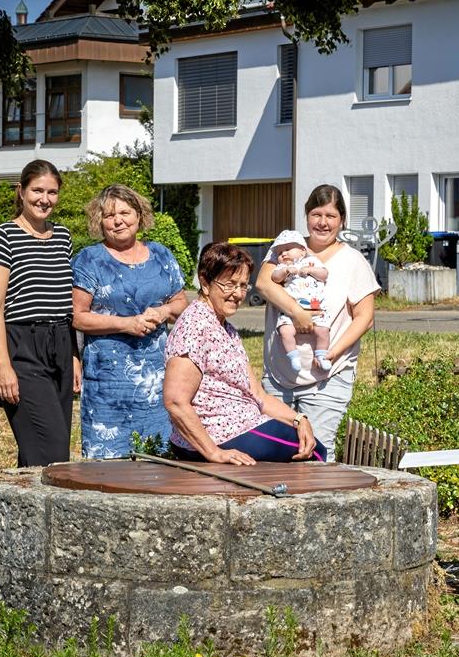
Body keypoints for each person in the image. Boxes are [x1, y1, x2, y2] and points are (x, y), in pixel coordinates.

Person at [163, 242, 324, 465]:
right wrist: (214, 453)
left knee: (309, 442)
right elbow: (175, 401)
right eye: (229, 285)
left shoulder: (225, 328)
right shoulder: (195, 325)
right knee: (315, 453)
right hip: (219, 435)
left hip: (239, 425)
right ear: (205, 282)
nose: (238, 294)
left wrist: (298, 418)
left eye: (243, 285)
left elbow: (257, 394)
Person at [255, 184, 381, 458]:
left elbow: (365, 318)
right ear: (306, 216)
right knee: (275, 456)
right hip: (278, 377)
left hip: (327, 377)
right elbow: (264, 284)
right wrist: (297, 313)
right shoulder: (286, 249)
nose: (322, 223)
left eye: (331, 216)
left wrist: (333, 352)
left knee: (317, 455)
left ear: (342, 220)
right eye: (316, 214)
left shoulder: (353, 261)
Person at [72, 184, 187, 458]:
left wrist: (162, 313)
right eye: (109, 215)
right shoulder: (89, 260)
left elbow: (181, 302)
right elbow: (77, 316)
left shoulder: (161, 255)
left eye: (124, 212)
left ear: (139, 215)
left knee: (159, 465)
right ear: (99, 221)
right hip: (108, 386)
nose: (118, 220)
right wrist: (126, 324)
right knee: (108, 471)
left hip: (158, 382)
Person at [0, 159, 77, 466]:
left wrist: (74, 355)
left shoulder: (63, 236)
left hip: (60, 344)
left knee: (40, 450)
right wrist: (3, 366)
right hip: (23, 347)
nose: (44, 199)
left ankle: (21, 510)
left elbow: (66, 302)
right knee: (54, 447)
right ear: (21, 191)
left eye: (52, 192)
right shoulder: (3, 236)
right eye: (37, 190)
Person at [267, 229, 332, 373]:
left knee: (323, 331)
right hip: (290, 310)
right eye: (279, 252)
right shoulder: (282, 267)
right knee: (285, 331)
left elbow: (324, 274)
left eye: (288, 249)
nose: (283, 254)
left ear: (303, 251)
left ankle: (321, 355)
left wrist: (310, 270)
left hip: (315, 307)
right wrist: (284, 272)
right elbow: (275, 278)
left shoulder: (312, 261)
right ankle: (293, 356)